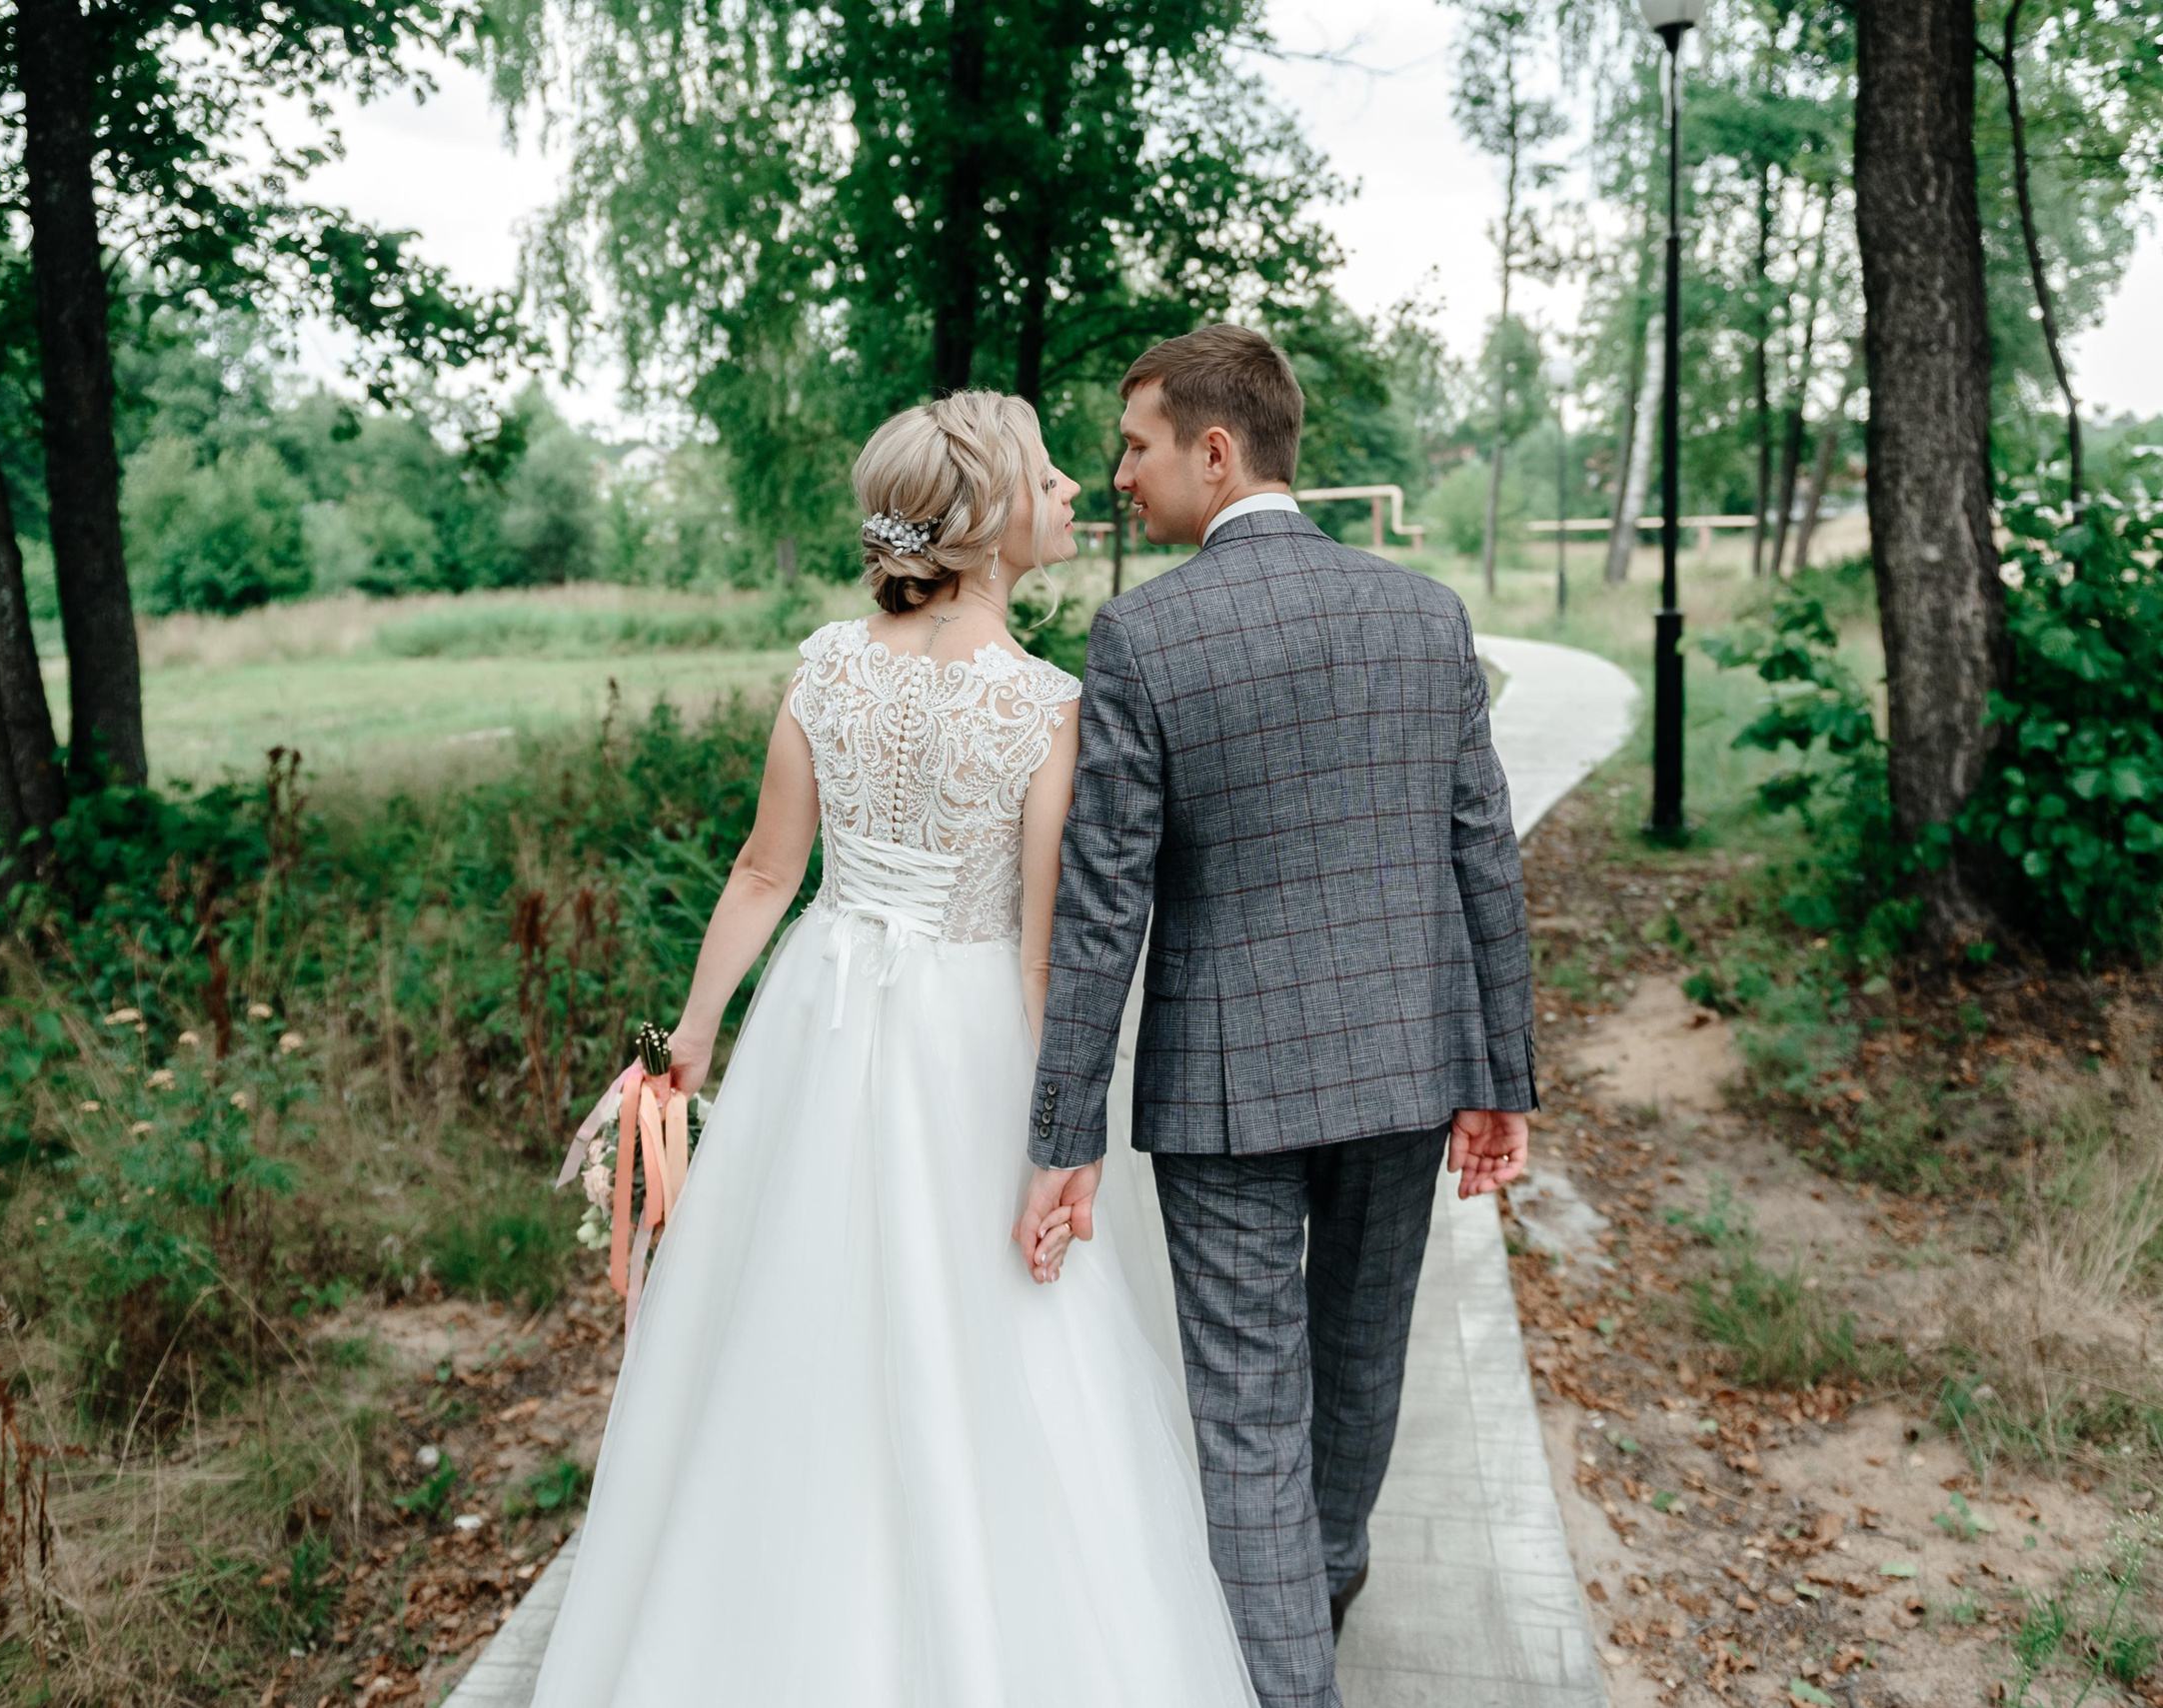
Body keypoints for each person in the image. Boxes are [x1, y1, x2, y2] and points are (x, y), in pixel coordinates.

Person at [527, 391, 1261, 1706]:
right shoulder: (1047, 706)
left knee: (788, 1312)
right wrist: (1062, 1142)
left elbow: (764, 871)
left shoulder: (827, 662)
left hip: (822, 1015)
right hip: (966, 1035)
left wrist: (690, 1039)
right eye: (1046, 475)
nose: (1074, 491)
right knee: (991, 1335)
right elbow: (1044, 956)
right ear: (984, 521)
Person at [1018, 323, 1537, 1708]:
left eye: (1134, 447)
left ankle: (1285, 1663)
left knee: (1248, 1411)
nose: (1118, 474)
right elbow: (1480, 851)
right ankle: (1325, 1576)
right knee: (1362, 1354)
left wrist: (1062, 1129)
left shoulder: (1143, 633)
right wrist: (1502, 1078)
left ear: (1213, 449)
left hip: (1227, 1093)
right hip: (1407, 1067)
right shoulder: (1425, 614)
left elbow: (1101, 903)